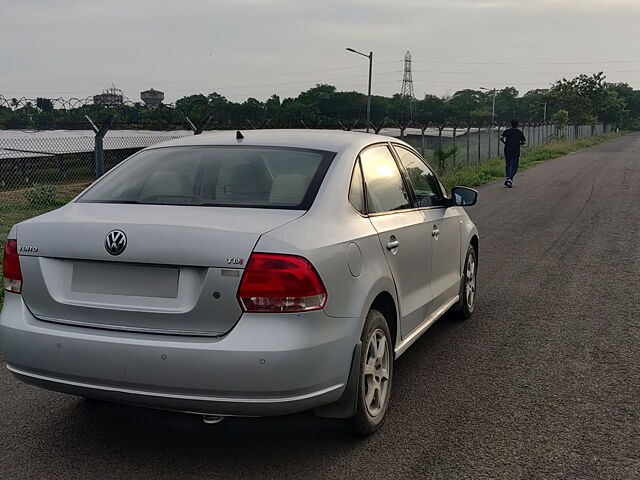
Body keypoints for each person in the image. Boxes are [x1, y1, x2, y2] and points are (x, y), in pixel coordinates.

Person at [499, 119, 527, 188]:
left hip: (507, 149)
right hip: (516, 150)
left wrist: (505, 142)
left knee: (508, 164)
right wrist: (518, 143)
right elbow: (523, 142)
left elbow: (501, 137)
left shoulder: (507, 131)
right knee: (514, 165)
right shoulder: (519, 132)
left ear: (510, 124)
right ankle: (510, 179)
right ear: (517, 124)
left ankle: (508, 177)